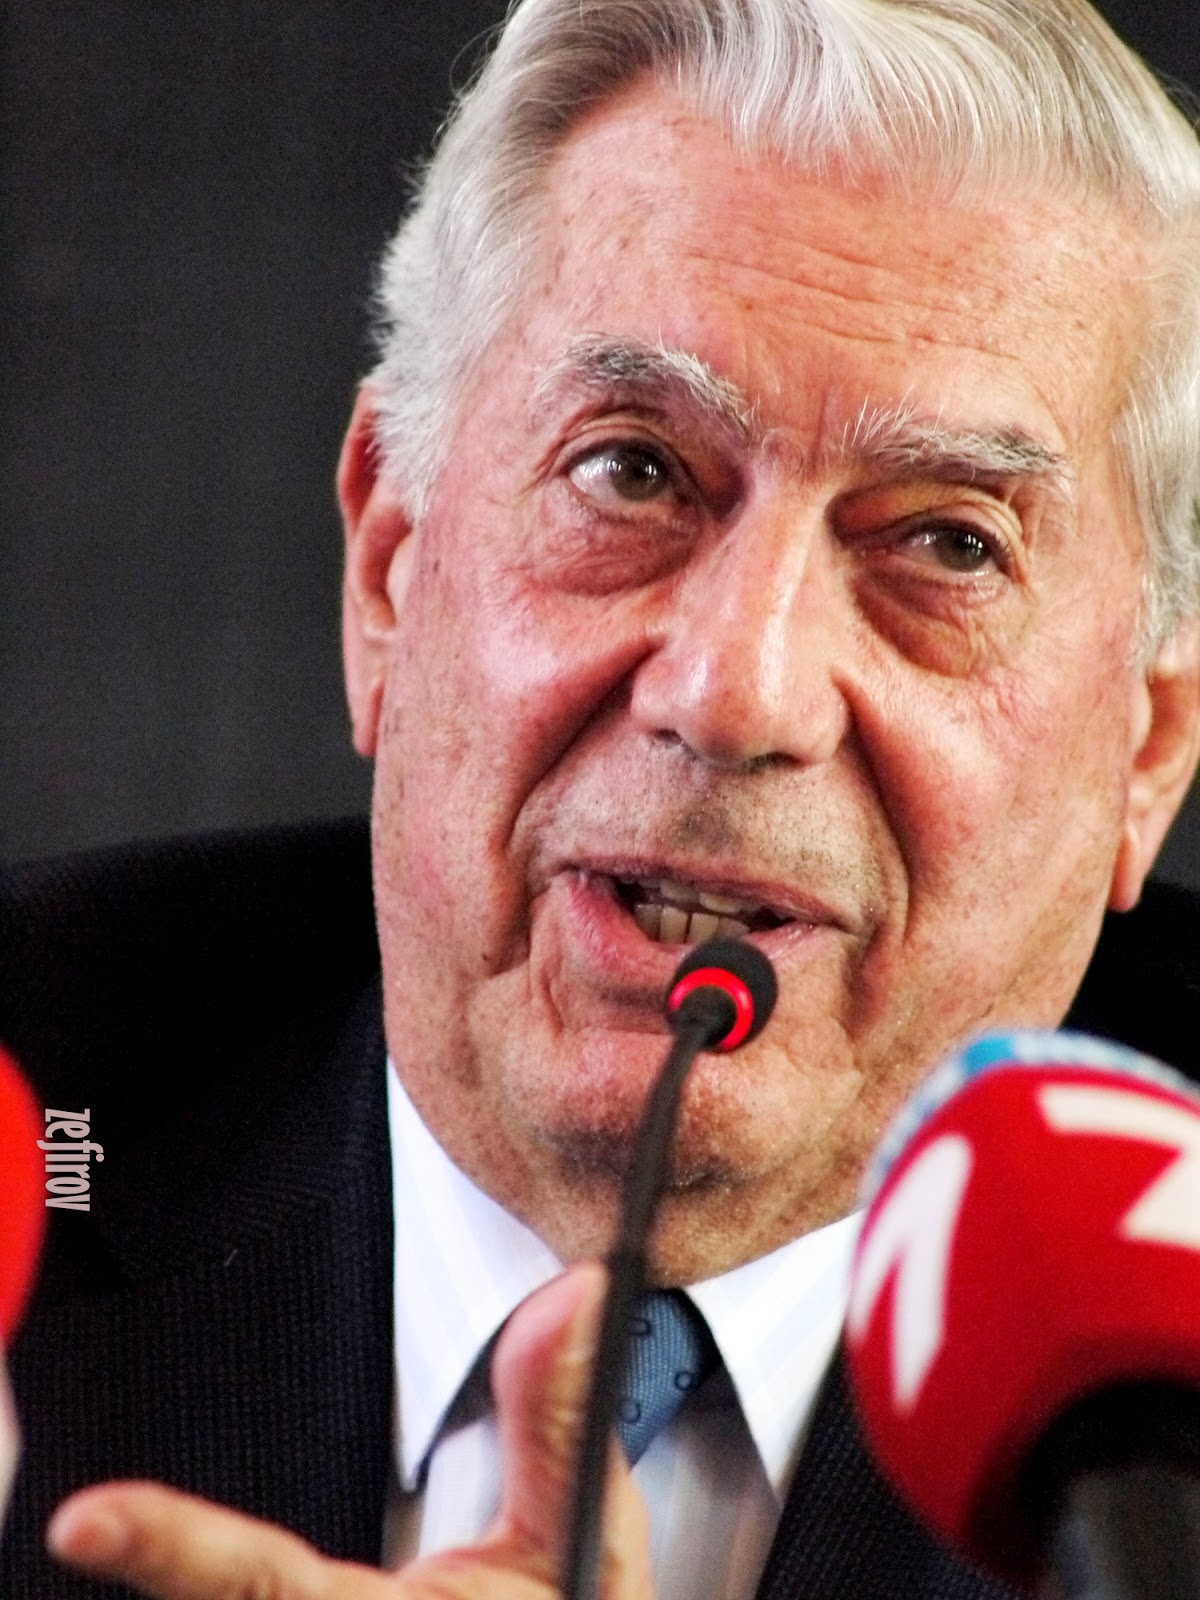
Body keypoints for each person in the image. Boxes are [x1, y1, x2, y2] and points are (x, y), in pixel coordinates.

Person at [3, 0, 1200, 1595]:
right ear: (389, 570)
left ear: (1147, 748)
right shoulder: (37, 1110)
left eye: (947, 542)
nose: (736, 692)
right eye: (631, 471)